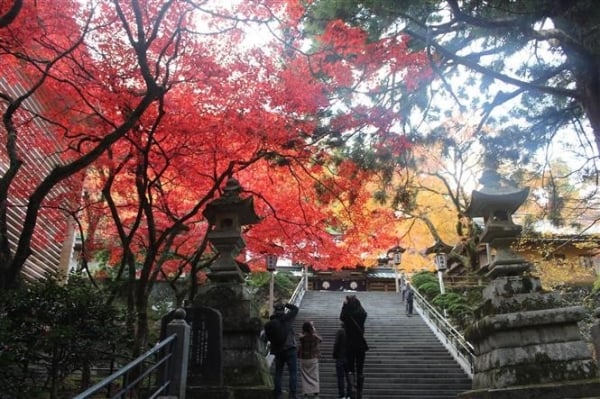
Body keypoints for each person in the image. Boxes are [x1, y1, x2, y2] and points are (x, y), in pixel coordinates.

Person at [340, 295, 368, 399]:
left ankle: (352, 389)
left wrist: (344, 305)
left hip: (350, 345)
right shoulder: (362, 314)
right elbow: (363, 311)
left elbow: (341, 317)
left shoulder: (347, 315)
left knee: (351, 369)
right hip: (361, 344)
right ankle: (360, 390)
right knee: (360, 369)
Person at [269, 302, 299, 399]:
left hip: (278, 349)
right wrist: (286, 304)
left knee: (278, 372)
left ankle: (277, 392)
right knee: (293, 372)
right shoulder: (288, 318)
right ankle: (292, 393)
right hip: (290, 348)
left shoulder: (272, 322)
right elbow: (295, 309)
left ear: (275, 311)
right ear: (283, 310)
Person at [297, 321, 322, 397]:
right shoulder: (314, 337)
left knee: (304, 376)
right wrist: (314, 330)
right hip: (313, 358)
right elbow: (320, 339)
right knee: (314, 375)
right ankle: (316, 393)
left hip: (304, 359)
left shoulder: (302, 337)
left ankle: (306, 394)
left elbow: (300, 336)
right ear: (311, 328)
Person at [332, 322, 348, 399]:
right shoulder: (352, 331)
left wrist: (334, 354)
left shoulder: (340, 331)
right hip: (349, 358)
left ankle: (342, 395)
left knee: (340, 377)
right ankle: (349, 394)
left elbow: (336, 343)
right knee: (349, 377)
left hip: (340, 357)